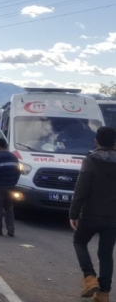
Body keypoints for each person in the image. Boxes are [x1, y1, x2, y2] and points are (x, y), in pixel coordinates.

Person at [70, 126, 116, 302]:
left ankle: (89, 278)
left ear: (96, 141)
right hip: (112, 216)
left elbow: (81, 189)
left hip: (91, 213)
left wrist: (73, 213)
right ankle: (103, 293)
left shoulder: (90, 160)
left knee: (79, 241)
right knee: (106, 254)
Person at [0, 138, 20, 236]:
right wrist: (13, 182)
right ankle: (11, 230)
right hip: (11, 186)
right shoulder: (14, 157)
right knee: (9, 208)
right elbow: (18, 172)